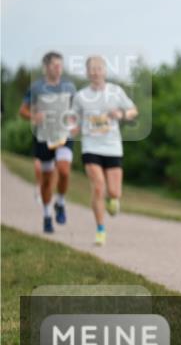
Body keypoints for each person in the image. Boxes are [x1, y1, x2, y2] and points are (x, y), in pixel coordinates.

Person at [71, 56, 139, 246]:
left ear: (104, 71)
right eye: (91, 69)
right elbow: (73, 119)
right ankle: (100, 229)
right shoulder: (80, 96)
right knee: (99, 186)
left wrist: (121, 114)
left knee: (114, 192)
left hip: (113, 147)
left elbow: (134, 111)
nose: (95, 72)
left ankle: (113, 199)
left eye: (98, 68)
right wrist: (73, 128)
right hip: (90, 147)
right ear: (87, 73)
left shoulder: (116, 92)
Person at [19, 51, 76, 234]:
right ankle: (46, 216)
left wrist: (75, 123)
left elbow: (76, 110)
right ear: (46, 67)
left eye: (60, 65)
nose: (58, 68)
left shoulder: (69, 87)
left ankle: (60, 202)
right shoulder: (36, 88)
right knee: (45, 181)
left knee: (64, 171)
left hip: (63, 136)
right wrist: (33, 116)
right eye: (54, 65)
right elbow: (23, 111)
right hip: (43, 137)